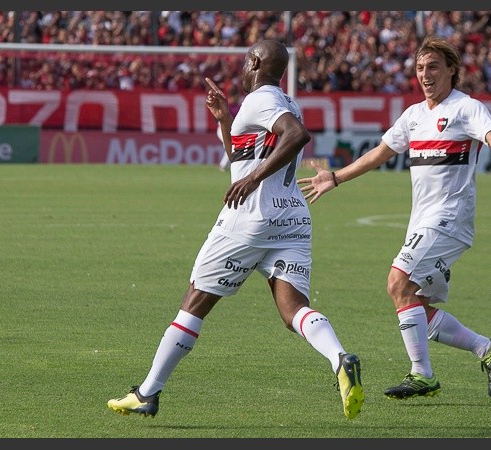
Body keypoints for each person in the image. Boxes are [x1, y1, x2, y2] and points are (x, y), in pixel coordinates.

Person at [107, 39, 364, 420]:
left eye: (246, 62)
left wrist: (254, 180)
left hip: (249, 220)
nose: (243, 69)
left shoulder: (262, 99)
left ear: (255, 61)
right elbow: (241, 156)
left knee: (195, 301)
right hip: (291, 219)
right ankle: (339, 358)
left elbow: (296, 137)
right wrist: (226, 120)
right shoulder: (282, 101)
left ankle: (147, 392)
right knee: (294, 310)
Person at [297, 35, 491, 400]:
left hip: (449, 218)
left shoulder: (466, 108)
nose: (425, 75)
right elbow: (380, 153)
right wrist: (335, 177)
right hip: (423, 222)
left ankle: (422, 374)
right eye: (419, 68)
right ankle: (488, 349)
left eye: (433, 67)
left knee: (397, 282)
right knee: (417, 306)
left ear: (451, 71)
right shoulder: (414, 116)